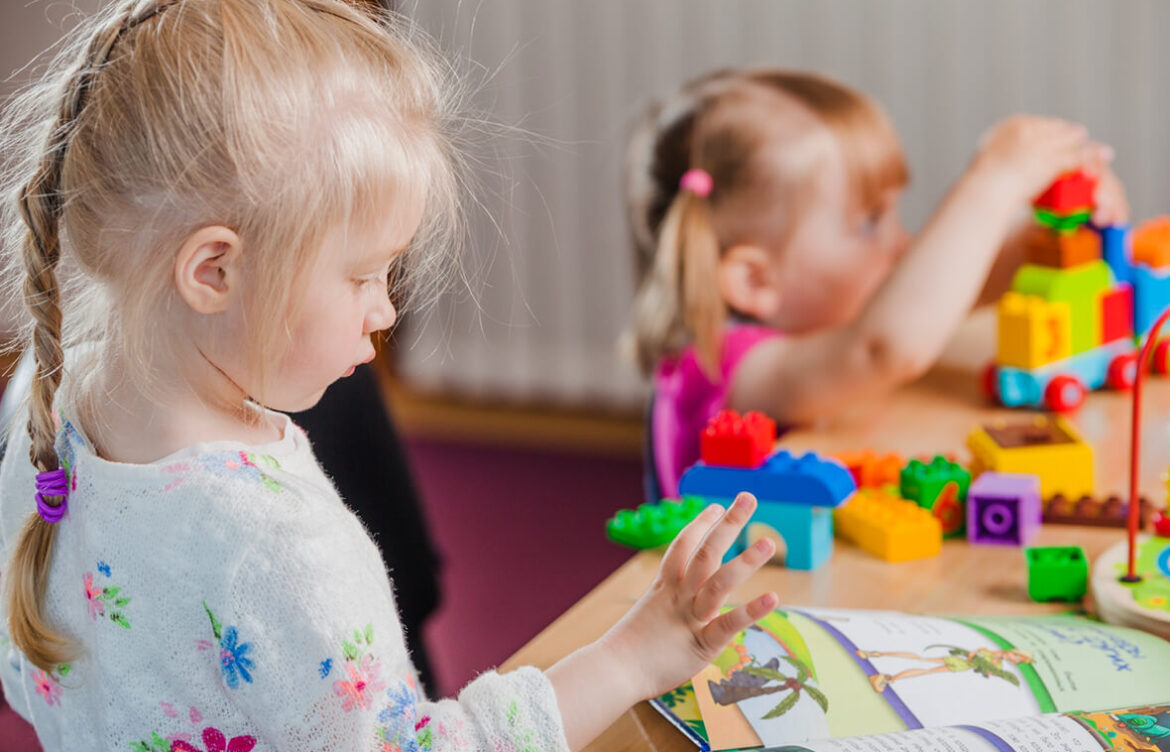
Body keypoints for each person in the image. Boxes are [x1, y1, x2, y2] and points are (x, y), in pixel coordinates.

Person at [0, 2, 778, 749]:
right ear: (214, 271)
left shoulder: (44, 395)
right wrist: (630, 656)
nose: (384, 311)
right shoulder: (270, 539)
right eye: (364, 275)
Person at [626, 69, 1128, 499]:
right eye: (870, 221)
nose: (898, 244)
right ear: (755, 280)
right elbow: (887, 347)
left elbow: (953, 292)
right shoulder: (728, 366)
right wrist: (993, 184)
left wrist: (1060, 235)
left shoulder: (819, 313)